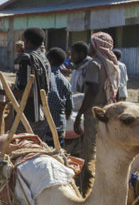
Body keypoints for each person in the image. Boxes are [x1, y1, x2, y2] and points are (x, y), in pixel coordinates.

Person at [74, 32, 120, 193]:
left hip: (94, 114)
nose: (88, 47)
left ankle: (86, 190)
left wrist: (80, 114)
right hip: (108, 113)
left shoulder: (94, 64)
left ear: (95, 46)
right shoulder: (113, 65)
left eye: (90, 44)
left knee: (90, 153)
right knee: (104, 151)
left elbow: (92, 90)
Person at [13, 27, 51, 140]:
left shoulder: (26, 59)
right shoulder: (44, 58)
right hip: (42, 114)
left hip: (27, 115)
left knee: (23, 150)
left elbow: (27, 92)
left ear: (27, 41)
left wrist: (2, 92)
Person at [45, 47, 73, 147]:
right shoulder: (65, 81)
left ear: (49, 60)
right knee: (58, 152)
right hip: (60, 125)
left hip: (46, 124)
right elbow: (69, 107)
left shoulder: (45, 77)